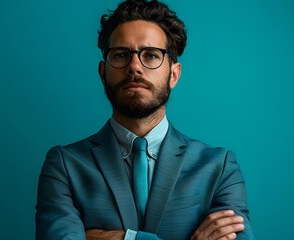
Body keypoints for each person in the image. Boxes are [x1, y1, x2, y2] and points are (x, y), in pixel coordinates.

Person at [35, 0, 255, 239]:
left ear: (174, 74)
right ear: (103, 72)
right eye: (121, 55)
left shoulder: (219, 167)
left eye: (151, 55)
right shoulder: (65, 165)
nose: (134, 67)